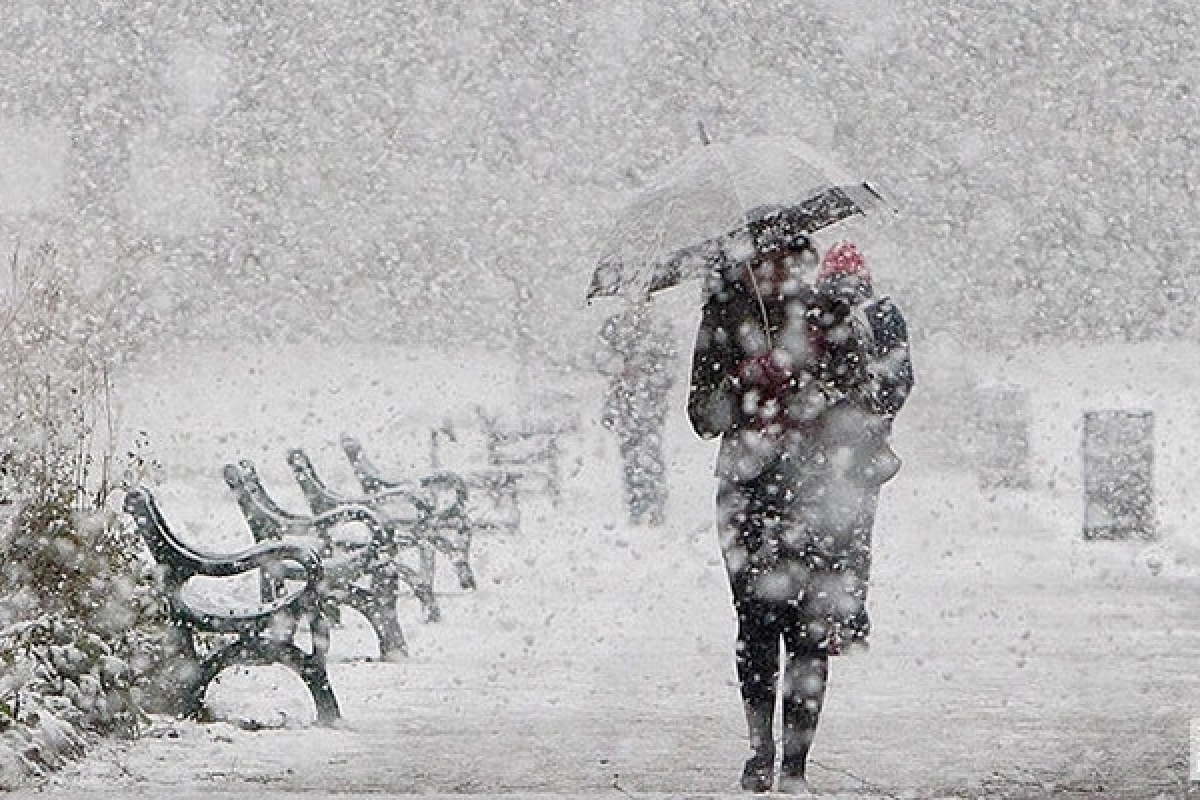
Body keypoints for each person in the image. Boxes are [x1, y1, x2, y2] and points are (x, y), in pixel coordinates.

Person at [687, 236, 913, 793]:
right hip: (746, 489)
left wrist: (811, 389)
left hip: (814, 489)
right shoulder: (723, 314)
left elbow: (865, 398)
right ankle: (761, 751)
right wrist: (745, 383)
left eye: (787, 257)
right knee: (756, 626)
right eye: (763, 260)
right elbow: (701, 415)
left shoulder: (829, 314)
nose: (777, 269)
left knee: (810, 629)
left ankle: (796, 765)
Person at [596, 299, 676, 525]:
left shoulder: (660, 330)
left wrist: (649, 374)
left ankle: (655, 502)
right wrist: (620, 367)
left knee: (651, 449)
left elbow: (670, 368)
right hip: (625, 402)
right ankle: (636, 504)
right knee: (630, 451)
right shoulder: (614, 327)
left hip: (651, 402)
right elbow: (600, 361)